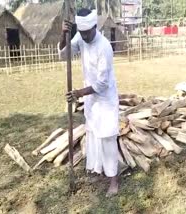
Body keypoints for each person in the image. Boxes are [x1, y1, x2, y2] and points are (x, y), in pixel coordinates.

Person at [58, 8, 119, 197]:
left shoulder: (104, 46)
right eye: (81, 32)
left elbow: (102, 83)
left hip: (105, 99)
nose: (84, 36)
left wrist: (78, 93)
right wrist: (64, 34)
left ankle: (114, 182)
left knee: (108, 137)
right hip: (91, 99)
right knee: (93, 135)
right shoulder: (81, 38)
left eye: (87, 32)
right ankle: (96, 170)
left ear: (95, 27)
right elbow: (63, 54)